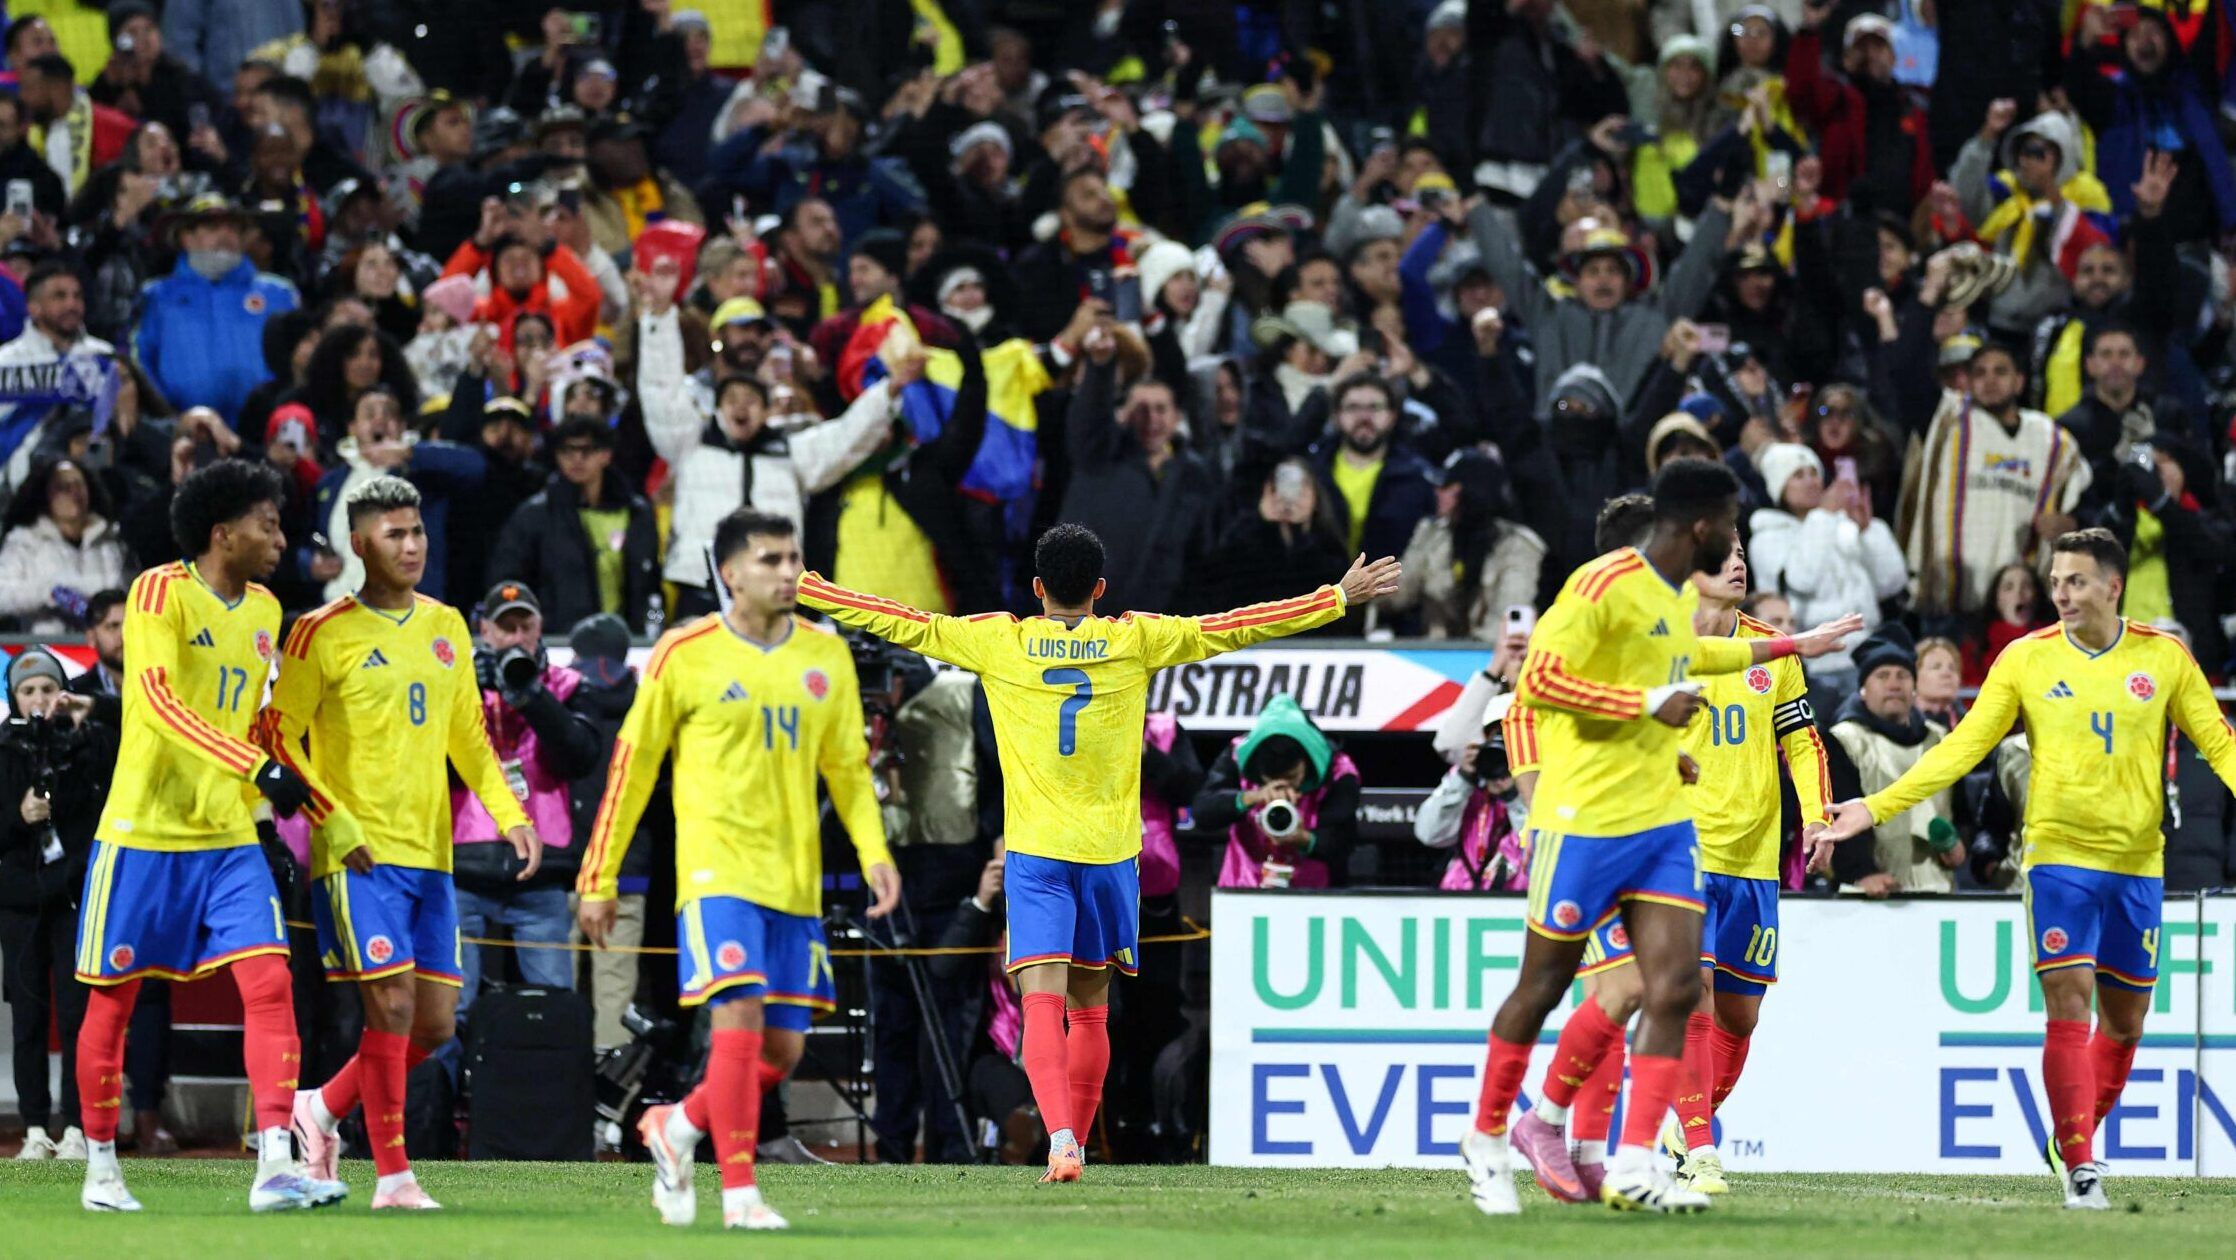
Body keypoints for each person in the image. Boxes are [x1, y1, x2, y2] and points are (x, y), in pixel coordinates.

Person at [797, 523, 1404, 1183]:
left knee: (1041, 1002)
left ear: (1036, 588)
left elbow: (902, 621)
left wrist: (810, 589)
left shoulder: (1001, 639)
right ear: (1101, 589)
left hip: (1037, 854)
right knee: (1090, 1006)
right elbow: (1234, 625)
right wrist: (1335, 596)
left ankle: (1060, 1138)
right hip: (1111, 857)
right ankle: (1075, 1145)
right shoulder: (1135, 638)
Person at [1462, 459, 1856, 1215]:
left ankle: (1639, 1159)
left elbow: (1699, 658)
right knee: (1548, 987)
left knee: (1673, 986)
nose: (1741, 545)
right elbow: (1537, 687)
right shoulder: (1598, 587)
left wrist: (1793, 645)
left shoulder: (1673, 603)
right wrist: (1645, 708)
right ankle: (1498, 1133)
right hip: (1586, 821)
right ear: (1701, 526)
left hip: (1665, 825)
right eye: (1732, 524)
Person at [1827, 529, 2236, 1208]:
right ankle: (2081, 1166)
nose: (2060, 594)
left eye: (2075, 581)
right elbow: (1960, 749)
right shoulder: (2025, 659)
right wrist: (1873, 808)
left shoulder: (2164, 659)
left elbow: (2220, 745)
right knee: (2068, 1002)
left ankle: (2069, 1134)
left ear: (2114, 586)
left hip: (2138, 863)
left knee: (2127, 1022)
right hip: (2057, 860)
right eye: (2054, 582)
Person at [576, 509, 901, 1232]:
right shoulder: (682, 652)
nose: (789, 572)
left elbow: (848, 769)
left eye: (794, 558)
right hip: (715, 876)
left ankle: (677, 1125)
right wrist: (598, 876)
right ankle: (740, 1193)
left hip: (794, 882)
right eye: (770, 560)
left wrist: (875, 853)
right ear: (730, 573)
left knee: (780, 1051)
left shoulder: (827, 656)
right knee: (740, 1023)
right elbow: (631, 770)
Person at [71, 458, 348, 1214]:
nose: (281, 539)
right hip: (143, 831)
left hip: (226, 835)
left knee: (269, 984)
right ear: (222, 533)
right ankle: (100, 1167)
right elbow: (157, 702)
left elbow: (258, 723)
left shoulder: (265, 610)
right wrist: (257, 769)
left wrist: (289, 808)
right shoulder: (158, 591)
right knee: (114, 1002)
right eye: (268, 524)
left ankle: (275, 1167)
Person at [264, 477, 536, 1211]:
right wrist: (332, 818)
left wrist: (510, 811)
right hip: (357, 858)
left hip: (430, 858)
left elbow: (469, 740)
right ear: (360, 544)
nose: (411, 545)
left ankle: (319, 1108)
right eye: (394, 534)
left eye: (416, 532)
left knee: (436, 1025)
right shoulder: (319, 632)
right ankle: (394, 1175)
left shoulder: (446, 624)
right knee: (388, 1008)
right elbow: (277, 739)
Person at [1654, 541, 1832, 1194]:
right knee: (1692, 996)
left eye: (1740, 553)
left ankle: (1682, 1129)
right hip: (1681, 850)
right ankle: (1702, 1150)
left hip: (1754, 857)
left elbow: (1801, 741)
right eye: (1720, 555)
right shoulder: (1663, 641)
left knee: (1740, 1016)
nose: (1738, 563)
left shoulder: (1774, 651)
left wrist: (1816, 815)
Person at [452, 580, 602, 1010]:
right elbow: (433, 763)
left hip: (543, 867)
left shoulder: (569, 685)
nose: (516, 637)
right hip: (465, 860)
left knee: (551, 1003)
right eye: (506, 627)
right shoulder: (458, 682)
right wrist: (468, 693)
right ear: (485, 630)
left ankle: (547, 1079)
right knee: (451, 1007)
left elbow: (580, 758)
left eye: (525, 626)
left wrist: (533, 697)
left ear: (540, 629)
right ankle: (446, 1080)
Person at [0, 648, 110, 1161]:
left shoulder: (86, 746)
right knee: (28, 1018)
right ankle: (35, 1128)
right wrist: (18, 816)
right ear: (14, 698)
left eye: (48, 689)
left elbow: (109, 798)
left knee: (75, 1016)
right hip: (20, 904)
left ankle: (76, 1129)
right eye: (29, 691)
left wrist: (88, 729)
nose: (40, 699)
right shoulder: (2, 752)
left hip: (72, 898)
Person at [1899, 342, 2091, 621]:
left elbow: (2090, 502)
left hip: (2019, 604)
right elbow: (1904, 368)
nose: (1989, 381)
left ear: (2019, 381)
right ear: (1968, 381)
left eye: (2000, 372)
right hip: (1950, 602)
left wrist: (2072, 523)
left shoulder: (2053, 440)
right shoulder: (1946, 420)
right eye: (1980, 373)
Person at [133, 194, 300, 428]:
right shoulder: (157, 296)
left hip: (265, 431)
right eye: (212, 227)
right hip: (181, 430)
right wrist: (168, 417)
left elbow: (299, 360)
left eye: (233, 228)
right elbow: (142, 360)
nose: (225, 235)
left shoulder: (278, 294)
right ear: (186, 237)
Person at [1823, 623, 1963, 896]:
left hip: (1939, 892)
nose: (1894, 684)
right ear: (1863, 688)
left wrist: (1959, 845)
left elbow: (1960, 810)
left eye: (1902, 675)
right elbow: (1831, 816)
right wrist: (1860, 872)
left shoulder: (1941, 739)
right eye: (1882, 675)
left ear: (1914, 687)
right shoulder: (1842, 741)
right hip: (1867, 896)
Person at [488, 416, 661, 633]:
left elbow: (652, 589)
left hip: (628, 642)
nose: (576, 459)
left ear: (606, 455)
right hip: (558, 641)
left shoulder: (636, 513)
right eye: (567, 451)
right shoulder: (535, 515)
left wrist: (655, 626)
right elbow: (508, 581)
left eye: (586, 451)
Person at [1190, 696, 1361, 889]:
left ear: (1305, 760)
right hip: (1243, 888)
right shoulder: (1237, 756)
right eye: (1272, 781)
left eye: (1291, 777)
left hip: (1316, 897)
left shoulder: (1340, 772)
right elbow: (1202, 812)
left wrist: (1305, 840)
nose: (1284, 788)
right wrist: (1250, 797)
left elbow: (1344, 843)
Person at [0, 456, 130, 632]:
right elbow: (3, 595)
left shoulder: (109, 540)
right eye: (63, 487)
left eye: (79, 485)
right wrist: (49, 592)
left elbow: (124, 593)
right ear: (46, 495)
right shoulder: (24, 542)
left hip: (103, 649)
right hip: (47, 648)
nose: (74, 493)